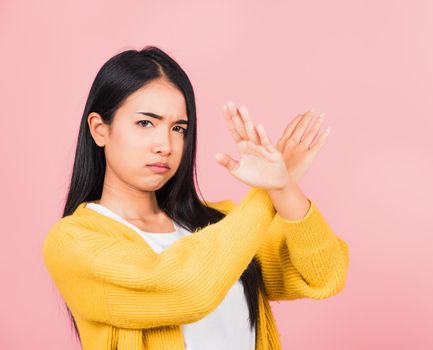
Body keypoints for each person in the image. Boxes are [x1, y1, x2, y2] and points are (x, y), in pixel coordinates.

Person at [42, 45, 349, 350]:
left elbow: (326, 275)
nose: (165, 145)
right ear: (99, 129)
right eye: (145, 123)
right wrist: (267, 191)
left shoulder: (222, 222)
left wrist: (283, 187)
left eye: (178, 128)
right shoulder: (73, 242)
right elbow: (189, 290)